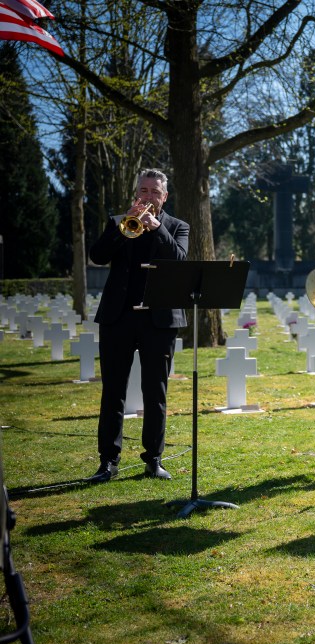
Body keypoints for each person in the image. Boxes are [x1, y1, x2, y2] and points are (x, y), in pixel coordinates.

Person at [88, 169, 189, 482]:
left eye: (154, 192)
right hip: (118, 318)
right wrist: (122, 228)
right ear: (136, 193)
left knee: (155, 392)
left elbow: (179, 260)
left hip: (158, 320)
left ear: (165, 197)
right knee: (112, 391)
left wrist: (157, 228)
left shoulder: (177, 226)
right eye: (143, 191)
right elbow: (98, 255)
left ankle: (153, 459)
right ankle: (108, 461)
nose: (148, 197)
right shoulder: (118, 220)